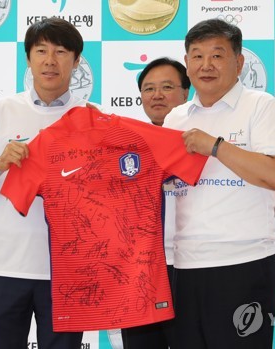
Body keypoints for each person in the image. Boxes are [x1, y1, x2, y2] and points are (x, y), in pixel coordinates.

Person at [163, 18, 275, 348]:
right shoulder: (177, 117)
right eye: (197, 55)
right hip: (186, 265)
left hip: (244, 264)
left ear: (239, 62)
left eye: (217, 55)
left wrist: (216, 146)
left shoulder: (261, 106)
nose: (206, 65)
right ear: (187, 63)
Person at [0, 17, 86, 348]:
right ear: (28, 58)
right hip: (7, 265)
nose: (50, 60)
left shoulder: (90, 118)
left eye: (60, 52)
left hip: (67, 269)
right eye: (41, 50)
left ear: (76, 61)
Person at [120, 57, 190, 349]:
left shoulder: (200, 144)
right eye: (148, 89)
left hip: (192, 267)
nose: (156, 95)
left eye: (166, 87)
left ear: (187, 93)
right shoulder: (124, 147)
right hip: (140, 270)